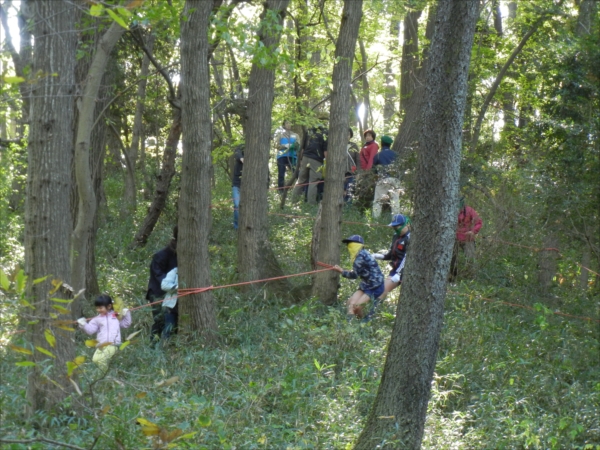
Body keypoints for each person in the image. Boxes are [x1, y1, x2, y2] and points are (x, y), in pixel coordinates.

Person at [333, 234, 385, 321]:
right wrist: (344, 270)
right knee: (350, 303)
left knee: (357, 307)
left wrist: (341, 271)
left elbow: (354, 275)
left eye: (351, 243)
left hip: (375, 286)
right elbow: (360, 271)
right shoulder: (361, 254)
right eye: (348, 244)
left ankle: (362, 324)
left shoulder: (360, 257)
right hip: (366, 284)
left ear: (358, 245)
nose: (349, 246)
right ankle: (352, 325)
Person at [77, 294, 131, 371]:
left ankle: (103, 376)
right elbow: (90, 330)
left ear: (109, 306)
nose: (99, 310)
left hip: (113, 344)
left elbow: (126, 324)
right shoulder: (97, 319)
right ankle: (105, 373)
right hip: (101, 345)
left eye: (101, 308)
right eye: (97, 308)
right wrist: (83, 324)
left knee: (103, 360)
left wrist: (127, 314)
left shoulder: (116, 316)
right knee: (95, 360)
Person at [146, 226, 178, 343]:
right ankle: (153, 348)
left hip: (174, 294)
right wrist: (172, 286)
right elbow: (159, 276)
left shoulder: (183, 254)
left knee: (173, 321)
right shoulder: (162, 255)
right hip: (158, 293)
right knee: (160, 321)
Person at [373, 214, 410, 298]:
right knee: (380, 291)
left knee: (382, 290)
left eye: (397, 227)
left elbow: (407, 258)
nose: (395, 229)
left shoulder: (409, 237)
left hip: (404, 271)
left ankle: (373, 309)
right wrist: (378, 256)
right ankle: (373, 309)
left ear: (405, 225)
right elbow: (391, 254)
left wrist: (399, 273)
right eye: (394, 227)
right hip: (395, 269)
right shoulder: (395, 236)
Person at [292, 124, 328, 205]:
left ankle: (293, 202)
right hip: (316, 160)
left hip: (305, 157)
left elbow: (302, 149)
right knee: (313, 182)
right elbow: (326, 151)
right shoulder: (325, 133)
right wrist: (327, 163)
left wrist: (301, 160)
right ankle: (311, 204)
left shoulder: (309, 132)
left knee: (301, 180)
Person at [450, 197, 483, 281]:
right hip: (454, 239)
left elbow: (478, 223)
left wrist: (473, 231)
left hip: (468, 239)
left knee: (471, 259)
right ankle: (452, 278)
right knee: (452, 259)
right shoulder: (449, 211)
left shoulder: (469, 211)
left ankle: (472, 279)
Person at [372, 135, 400, 218]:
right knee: (395, 201)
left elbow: (374, 169)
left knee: (378, 201)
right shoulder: (396, 155)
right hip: (395, 179)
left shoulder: (378, 155)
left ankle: (375, 220)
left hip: (382, 179)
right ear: (390, 145)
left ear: (381, 143)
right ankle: (396, 220)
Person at [273, 120, 300, 189]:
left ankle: (300, 189)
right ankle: (281, 191)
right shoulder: (280, 135)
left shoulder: (296, 135)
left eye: (290, 123)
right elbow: (276, 145)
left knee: (296, 173)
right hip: (281, 156)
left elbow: (299, 145)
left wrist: (293, 146)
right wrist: (285, 146)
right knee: (281, 174)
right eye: (287, 123)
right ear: (284, 125)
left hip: (292, 156)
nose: (288, 125)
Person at [160, 267, 178, 340]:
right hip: (172, 307)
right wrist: (176, 287)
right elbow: (164, 285)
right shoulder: (175, 271)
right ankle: (164, 348)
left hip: (189, 308)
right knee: (168, 330)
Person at [344, 128, 360, 204]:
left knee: (350, 189)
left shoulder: (354, 146)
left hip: (351, 172)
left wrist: (358, 172)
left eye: (348, 134)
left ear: (350, 135)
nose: (346, 136)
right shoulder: (337, 145)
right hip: (340, 172)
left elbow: (358, 159)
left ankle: (348, 207)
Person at [231, 144, 244, 229]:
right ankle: (237, 227)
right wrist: (242, 159)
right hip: (237, 184)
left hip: (248, 186)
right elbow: (238, 154)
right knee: (237, 204)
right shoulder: (240, 148)